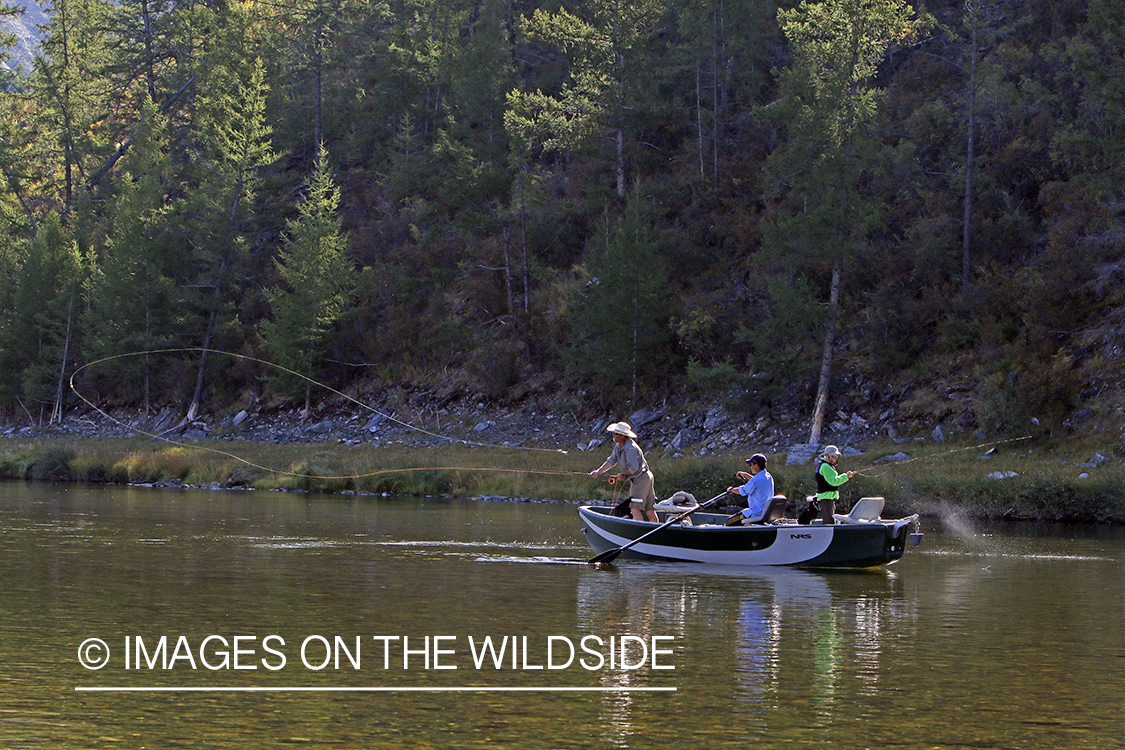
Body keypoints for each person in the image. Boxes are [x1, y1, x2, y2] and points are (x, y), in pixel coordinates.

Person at [589, 422, 658, 522]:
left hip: (641, 479)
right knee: (649, 510)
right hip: (645, 477)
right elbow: (612, 460)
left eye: (615, 433)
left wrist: (623, 475)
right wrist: (598, 472)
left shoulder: (630, 448)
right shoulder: (619, 446)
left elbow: (634, 468)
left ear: (622, 436)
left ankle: (640, 533)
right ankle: (653, 533)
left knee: (635, 509)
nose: (613, 435)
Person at [724, 453, 774, 526]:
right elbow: (756, 481)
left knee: (728, 522)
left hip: (755, 513)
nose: (750, 467)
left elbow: (742, 491)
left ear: (756, 465)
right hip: (765, 513)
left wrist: (731, 490)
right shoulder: (768, 476)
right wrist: (745, 475)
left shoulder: (756, 481)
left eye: (751, 464)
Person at [812, 445, 854, 525]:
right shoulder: (825, 466)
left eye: (836, 456)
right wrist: (846, 476)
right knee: (829, 522)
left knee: (830, 520)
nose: (835, 458)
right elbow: (834, 482)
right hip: (826, 498)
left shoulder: (826, 465)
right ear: (826, 455)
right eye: (833, 456)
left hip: (828, 498)